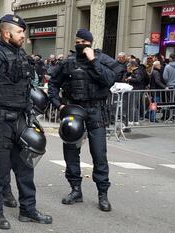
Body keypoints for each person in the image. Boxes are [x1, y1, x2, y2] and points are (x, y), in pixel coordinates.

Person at [0, 14, 52, 230]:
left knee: (26, 167)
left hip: (20, 119)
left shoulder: (21, 55)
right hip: (0, 119)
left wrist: (29, 113)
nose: (23, 36)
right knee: (0, 168)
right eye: (20, 33)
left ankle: (28, 209)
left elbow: (26, 88)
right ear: (7, 33)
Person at [48, 28, 116, 212]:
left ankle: (103, 194)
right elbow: (53, 83)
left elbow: (110, 79)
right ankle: (75, 189)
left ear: (90, 43)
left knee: (99, 154)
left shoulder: (101, 59)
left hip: (96, 110)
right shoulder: (69, 62)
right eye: (77, 42)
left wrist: (93, 59)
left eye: (83, 42)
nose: (79, 45)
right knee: (71, 151)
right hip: (74, 110)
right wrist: (59, 105)